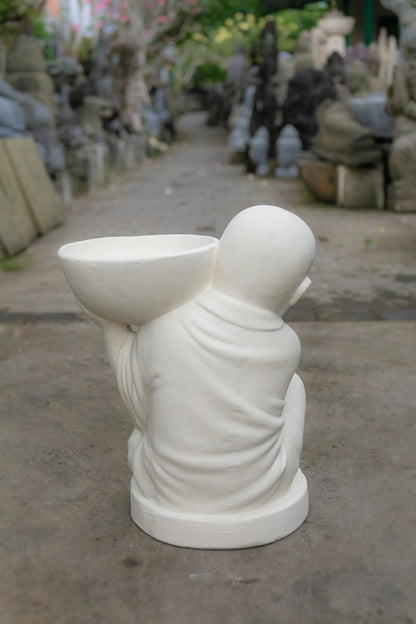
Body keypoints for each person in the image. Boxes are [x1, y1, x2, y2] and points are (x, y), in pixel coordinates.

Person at [88, 205, 315, 518]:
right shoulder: (286, 346)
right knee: (294, 387)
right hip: (263, 488)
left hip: (163, 488)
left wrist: (111, 328)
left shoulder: (165, 324)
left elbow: (141, 410)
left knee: (146, 430)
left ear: (215, 257)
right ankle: (264, 483)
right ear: (296, 292)